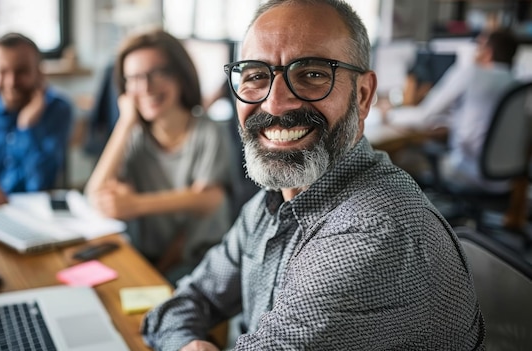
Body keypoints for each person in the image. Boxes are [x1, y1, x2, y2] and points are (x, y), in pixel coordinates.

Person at [141, 1, 485, 350]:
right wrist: (186, 344)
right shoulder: (272, 200)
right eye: (256, 76)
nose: (274, 104)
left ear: (362, 96)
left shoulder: (373, 234)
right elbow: (183, 303)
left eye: (312, 74)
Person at [84, 29, 236, 284]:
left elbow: (209, 200)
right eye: (134, 78)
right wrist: (124, 123)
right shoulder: (133, 135)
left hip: (198, 261)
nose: (145, 87)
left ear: (180, 75)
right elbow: (95, 195)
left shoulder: (208, 131)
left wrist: (135, 204)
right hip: (147, 256)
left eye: (158, 73)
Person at [387, 28, 519, 193]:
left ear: (488, 52)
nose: (474, 52)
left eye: (478, 47)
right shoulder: (517, 83)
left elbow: (423, 116)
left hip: (468, 171)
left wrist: (389, 115)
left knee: (400, 160)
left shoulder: (471, 73)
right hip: (507, 179)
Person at [0, 32, 74, 208]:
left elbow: (38, 183)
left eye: (21, 71)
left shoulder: (58, 110)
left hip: (30, 209)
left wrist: (26, 128)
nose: (11, 82)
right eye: (2, 71)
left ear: (39, 72)